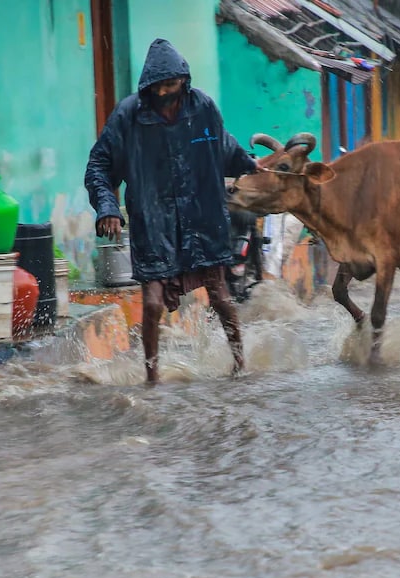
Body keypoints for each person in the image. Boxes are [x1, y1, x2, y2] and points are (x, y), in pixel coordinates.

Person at [85, 39, 259, 384]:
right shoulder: (128, 115)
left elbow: (224, 146)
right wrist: (107, 208)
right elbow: (99, 165)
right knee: (152, 303)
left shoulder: (203, 107)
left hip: (203, 218)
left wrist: (253, 166)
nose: (164, 92)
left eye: (171, 85)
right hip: (154, 223)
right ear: (147, 85)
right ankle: (152, 377)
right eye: (158, 87)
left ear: (184, 80)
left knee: (221, 296)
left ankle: (241, 366)